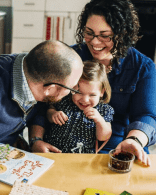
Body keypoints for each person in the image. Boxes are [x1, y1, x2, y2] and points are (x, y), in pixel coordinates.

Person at [30, 0, 156, 166]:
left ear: (123, 34)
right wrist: (35, 140)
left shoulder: (142, 67)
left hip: (117, 147)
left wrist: (134, 140)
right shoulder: (68, 57)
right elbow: (42, 104)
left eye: (105, 36)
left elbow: (146, 115)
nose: (94, 42)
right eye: (89, 33)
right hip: (60, 147)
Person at [44, 60, 114, 153]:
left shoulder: (104, 110)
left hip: (80, 157)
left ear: (102, 92)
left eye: (92, 95)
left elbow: (104, 137)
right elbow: (49, 110)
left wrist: (99, 120)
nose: (85, 100)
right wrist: (52, 114)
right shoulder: (65, 100)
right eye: (79, 93)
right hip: (53, 152)